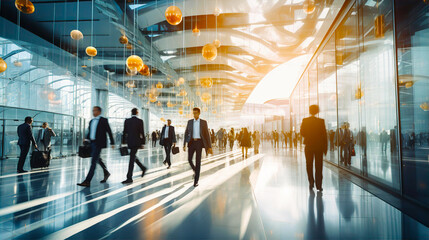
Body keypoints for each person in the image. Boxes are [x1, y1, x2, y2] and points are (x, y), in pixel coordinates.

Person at [77, 106, 115, 187]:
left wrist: (112, 142)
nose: (93, 112)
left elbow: (109, 131)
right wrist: (86, 139)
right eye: (92, 110)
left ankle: (87, 181)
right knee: (97, 159)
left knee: (93, 162)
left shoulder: (104, 120)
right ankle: (106, 172)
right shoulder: (91, 121)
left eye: (95, 110)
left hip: (99, 143)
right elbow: (90, 131)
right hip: (91, 143)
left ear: (99, 111)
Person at [300, 105, 327, 192]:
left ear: (309, 111)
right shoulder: (321, 121)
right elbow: (324, 135)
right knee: (319, 166)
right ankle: (319, 185)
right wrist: (325, 148)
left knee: (309, 165)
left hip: (309, 146)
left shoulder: (305, 120)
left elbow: (302, 133)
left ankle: (311, 182)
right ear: (317, 111)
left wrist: (309, 136)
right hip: (319, 146)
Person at [183, 107, 212, 187]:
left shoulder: (203, 122)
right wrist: (184, 144)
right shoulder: (189, 122)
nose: (194, 114)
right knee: (189, 159)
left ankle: (196, 181)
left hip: (199, 143)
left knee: (198, 161)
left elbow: (207, 135)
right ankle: (196, 170)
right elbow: (186, 133)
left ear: (199, 113)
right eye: (193, 113)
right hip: (191, 142)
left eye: (196, 113)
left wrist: (209, 146)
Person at [121, 108, 147, 184]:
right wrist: (143, 143)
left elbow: (124, 132)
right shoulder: (140, 121)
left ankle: (129, 177)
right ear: (137, 112)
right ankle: (143, 168)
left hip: (129, 142)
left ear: (131, 112)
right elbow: (142, 133)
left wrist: (123, 142)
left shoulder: (127, 121)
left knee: (131, 159)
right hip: (136, 142)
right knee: (132, 157)